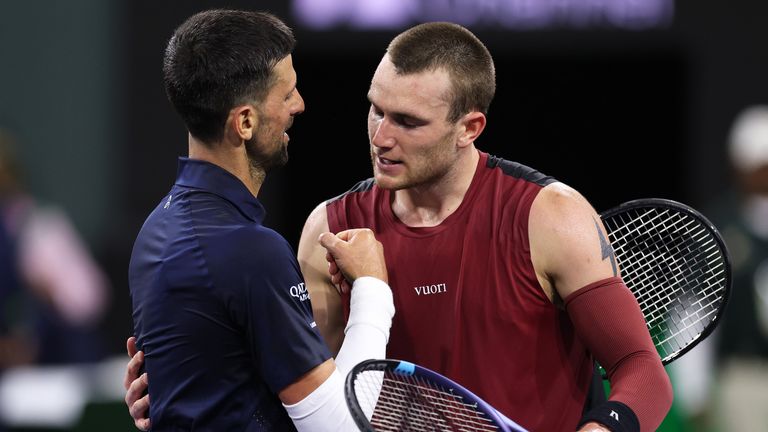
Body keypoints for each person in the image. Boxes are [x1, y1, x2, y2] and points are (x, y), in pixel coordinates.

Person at [126, 20, 673, 432]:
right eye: (375, 110)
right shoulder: (329, 231)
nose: (381, 136)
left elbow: (640, 368)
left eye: (408, 121)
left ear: (469, 127)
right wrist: (188, 395)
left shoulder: (549, 217)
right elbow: (311, 404)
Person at [127, 9, 395, 431]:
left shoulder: (154, 231)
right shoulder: (251, 250)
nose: (299, 105)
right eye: (287, 93)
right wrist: (373, 288)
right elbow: (339, 427)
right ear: (246, 121)